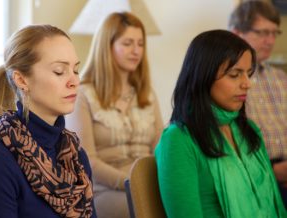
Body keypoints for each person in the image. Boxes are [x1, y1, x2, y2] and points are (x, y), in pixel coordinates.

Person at [155, 29, 287, 217]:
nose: (247, 83)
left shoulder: (250, 130)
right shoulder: (177, 141)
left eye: (248, 74)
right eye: (234, 75)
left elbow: (276, 207)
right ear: (203, 77)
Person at [0, 24, 96, 218]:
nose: (74, 81)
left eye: (75, 70)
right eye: (59, 71)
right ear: (21, 80)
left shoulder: (77, 158)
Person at [66, 12, 163, 218]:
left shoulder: (146, 93)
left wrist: (154, 182)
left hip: (148, 183)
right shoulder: (83, 94)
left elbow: (159, 147)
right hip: (103, 189)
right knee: (142, 210)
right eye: (128, 43)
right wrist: (132, 183)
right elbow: (87, 161)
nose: (136, 51)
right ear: (107, 46)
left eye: (140, 43)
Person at [228, 0, 287, 206]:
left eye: (274, 33)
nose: (270, 41)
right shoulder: (225, 82)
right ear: (236, 34)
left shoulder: (281, 78)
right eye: (262, 33)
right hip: (254, 174)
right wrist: (270, 170)